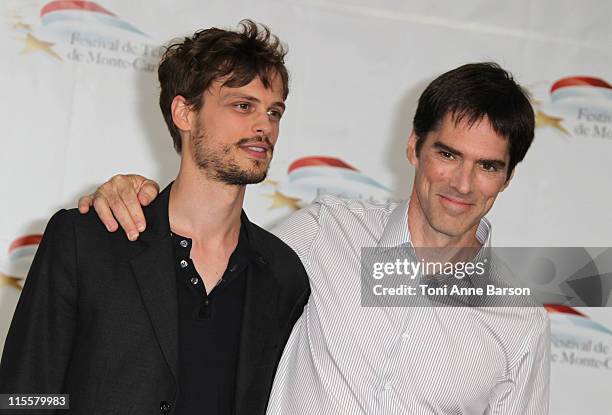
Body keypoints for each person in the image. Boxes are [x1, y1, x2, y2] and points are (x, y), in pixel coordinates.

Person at [77, 63, 550, 414]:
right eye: (448, 154)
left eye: (488, 166)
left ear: (507, 178)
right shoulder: (325, 233)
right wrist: (129, 196)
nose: (462, 184)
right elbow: (205, 255)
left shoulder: (520, 319)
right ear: (414, 148)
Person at [0, 20, 310, 415]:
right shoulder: (90, 239)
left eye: (274, 112)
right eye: (242, 105)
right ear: (184, 113)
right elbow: (24, 393)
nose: (264, 126)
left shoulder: (283, 274)